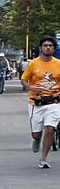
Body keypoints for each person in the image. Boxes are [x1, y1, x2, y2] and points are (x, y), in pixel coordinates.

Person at [20, 36, 60, 169]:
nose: (48, 47)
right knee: (36, 134)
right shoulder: (33, 64)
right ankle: (36, 139)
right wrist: (31, 87)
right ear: (40, 48)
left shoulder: (58, 64)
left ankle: (43, 159)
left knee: (50, 128)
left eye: (50, 45)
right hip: (35, 103)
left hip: (53, 102)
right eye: (45, 45)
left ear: (54, 49)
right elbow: (24, 80)